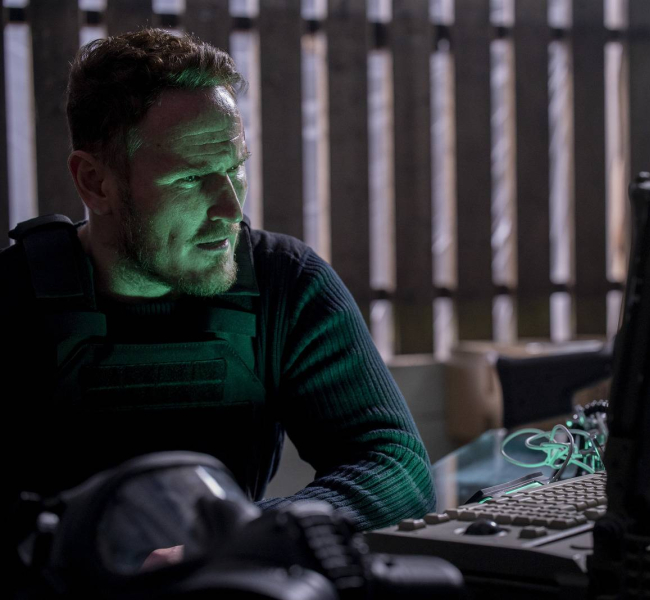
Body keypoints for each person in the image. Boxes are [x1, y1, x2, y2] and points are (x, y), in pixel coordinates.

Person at [2, 29, 435, 532]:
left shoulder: (284, 283)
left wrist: (237, 533)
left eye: (234, 169)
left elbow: (397, 467)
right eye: (190, 179)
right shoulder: (11, 296)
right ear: (95, 182)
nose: (230, 209)